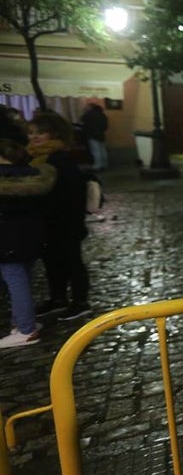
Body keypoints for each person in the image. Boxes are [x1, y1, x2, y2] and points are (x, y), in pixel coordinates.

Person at [28, 111, 92, 322]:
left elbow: (74, 194)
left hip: (64, 222)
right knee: (51, 262)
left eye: (41, 132)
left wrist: (72, 221)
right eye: (31, 132)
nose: (35, 137)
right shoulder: (34, 158)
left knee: (72, 262)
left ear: (54, 134)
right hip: (45, 221)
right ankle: (58, 298)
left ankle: (80, 302)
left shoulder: (61, 159)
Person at [0, 140, 56, 348]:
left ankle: (26, 329)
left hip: (6, 240)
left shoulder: (4, 179)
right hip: (31, 237)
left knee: (16, 282)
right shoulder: (34, 175)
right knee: (23, 279)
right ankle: (21, 322)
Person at [79, 102, 109, 171]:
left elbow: (82, 122)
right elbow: (105, 126)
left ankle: (98, 165)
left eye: (87, 107)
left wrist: (84, 112)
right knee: (102, 150)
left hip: (92, 134)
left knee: (95, 151)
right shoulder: (103, 115)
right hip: (101, 134)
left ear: (91, 108)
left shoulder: (88, 114)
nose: (86, 107)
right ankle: (104, 164)